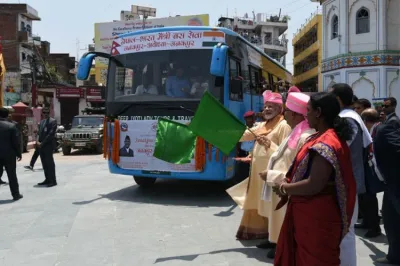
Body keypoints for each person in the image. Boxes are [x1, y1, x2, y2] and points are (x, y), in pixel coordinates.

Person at [273, 92, 356, 266]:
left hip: (317, 214)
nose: (306, 115)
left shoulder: (326, 142)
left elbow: (314, 184)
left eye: (308, 110)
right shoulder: (321, 136)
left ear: (318, 112)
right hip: (311, 212)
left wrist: (284, 188)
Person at [257, 92, 315, 258]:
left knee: (284, 219)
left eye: (287, 111)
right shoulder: (297, 130)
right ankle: (275, 241)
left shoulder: (305, 135)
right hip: (278, 183)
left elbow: (298, 167)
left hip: (285, 184)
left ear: (296, 114)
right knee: (276, 217)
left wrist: (273, 175)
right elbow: (283, 155)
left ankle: (282, 246)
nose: (284, 114)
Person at [227, 92, 292, 240]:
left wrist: (270, 145)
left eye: (271, 106)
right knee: (262, 205)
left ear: (279, 109)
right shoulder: (263, 125)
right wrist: (222, 132)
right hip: (258, 174)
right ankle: (267, 235)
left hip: (272, 174)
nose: (267, 109)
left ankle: (276, 241)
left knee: (272, 206)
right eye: (265, 106)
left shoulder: (283, 126)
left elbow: (286, 153)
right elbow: (245, 135)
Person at [331, 83, 373, 265]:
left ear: (338, 99)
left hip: (347, 182)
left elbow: (338, 149)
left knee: (345, 232)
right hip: (347, 182)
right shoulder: (348, 117)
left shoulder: (347, 120)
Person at [374, 97, 400, 264]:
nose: (383, 109)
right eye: (381, 106)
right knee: (390, 220)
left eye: (386, 106)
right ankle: (394, 255)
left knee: (393, 220)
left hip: (395, 182)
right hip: (391, 182)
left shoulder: (391, 124)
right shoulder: (388, 123)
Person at [356, 108, 383, 237]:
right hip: (368, 168)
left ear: (365, 121)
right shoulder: (372, 129)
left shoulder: (378, 130)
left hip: (373, 169)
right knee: (365, 198)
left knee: (370, 199)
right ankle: (367, 221)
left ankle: (374, 227)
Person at [0, 107, 23, 201]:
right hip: (9, 155)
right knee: (12, 175)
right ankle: (15, 194)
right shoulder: (11, 126)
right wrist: (19, 154)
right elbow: (16, 142)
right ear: (7, 115)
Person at [37, 107, 58, 187]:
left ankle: (53, 180)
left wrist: (42, 143)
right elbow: (39, 133)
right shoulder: (42, 122)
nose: (45, 114)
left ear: (49, 113)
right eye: (44, 113)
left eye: (47, 113)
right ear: (42, 113)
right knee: (44, 163)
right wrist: (37, 141)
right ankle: (47, 179)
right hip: (41, 146)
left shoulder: (53, 121)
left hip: (48, 145)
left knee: (50, 163)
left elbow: (50, 134)